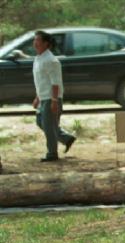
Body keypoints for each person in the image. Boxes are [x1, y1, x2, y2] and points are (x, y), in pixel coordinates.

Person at [32, 30, 75, 162]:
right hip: (43, 97)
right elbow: (42, 81)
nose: (35, 43)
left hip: (51, 98)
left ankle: (52, 154)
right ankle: (66, 138)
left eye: (38, 40)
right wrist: (37, 97)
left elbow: (55, 83)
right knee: (41, 122)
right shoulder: (38, 59)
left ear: (46, 44)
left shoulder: (51, 60)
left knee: (49, 127)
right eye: (35, 40)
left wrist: (54, 101)